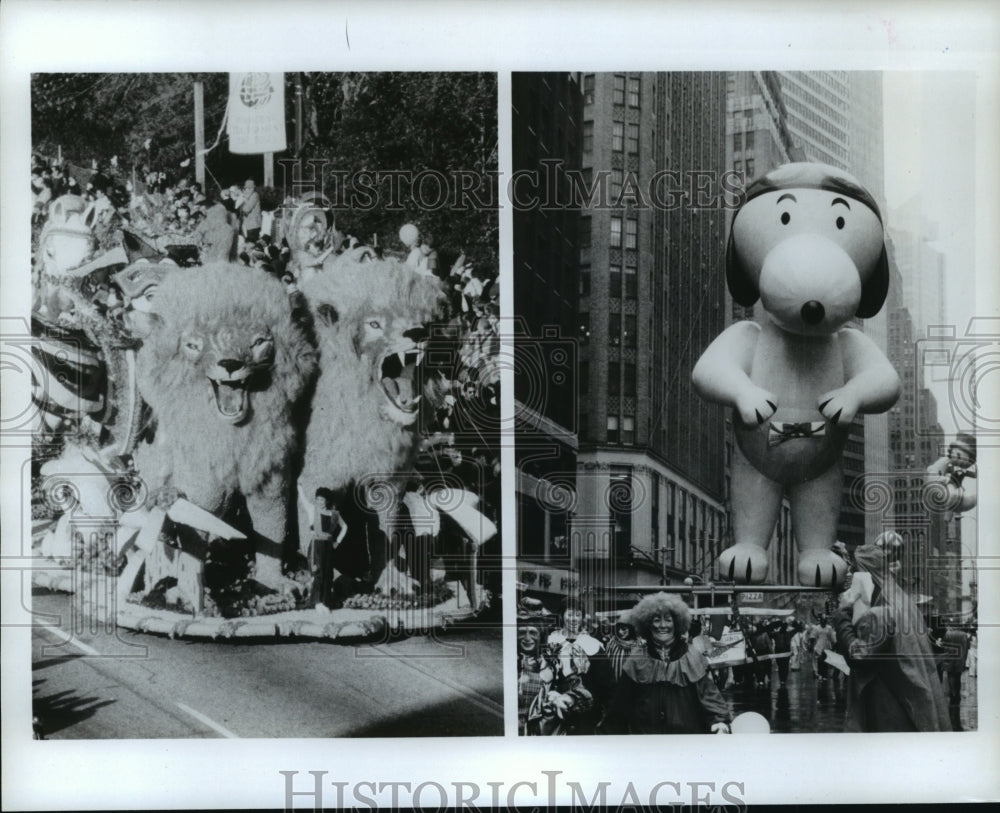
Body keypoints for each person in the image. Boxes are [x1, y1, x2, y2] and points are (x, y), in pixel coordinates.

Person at [834, 544, 951, 732]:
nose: (851, 578)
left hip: (890, 708)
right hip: (913, 702)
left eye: (854, 572)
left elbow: (859, 656)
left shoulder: (880, 613)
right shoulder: (905, 603)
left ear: (865, 576)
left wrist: (841, 614)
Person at [599, 593, 732, 735]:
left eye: (668, 620)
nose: (662, 626)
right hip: (647, 741)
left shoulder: (692, 656)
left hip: (685, 740)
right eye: (656, 620)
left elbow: (710, 697)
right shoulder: (636, 659)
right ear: (648, 624)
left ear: (677, 623)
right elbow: (619, 706)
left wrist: (720, 723)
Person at [240, 178, 262, 244]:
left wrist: (244, 200)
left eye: (247, 188)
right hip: (249, 224)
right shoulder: (250, 196)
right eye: (245, 189)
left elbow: (247, 209)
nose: (246, 190)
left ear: (252, 188)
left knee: (252, 243)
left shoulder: (254, 195)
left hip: (254, 224)